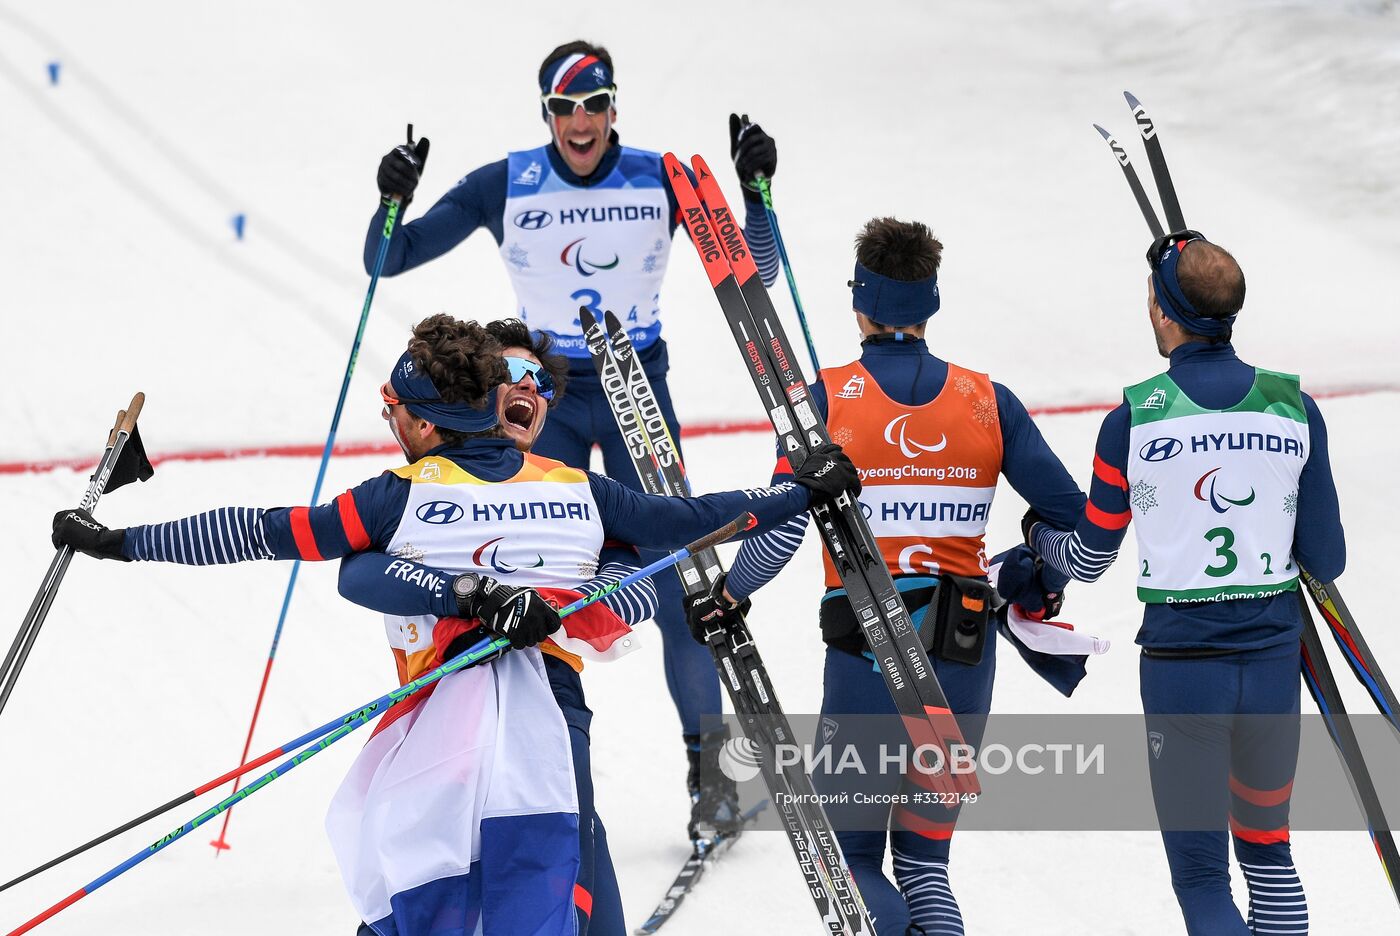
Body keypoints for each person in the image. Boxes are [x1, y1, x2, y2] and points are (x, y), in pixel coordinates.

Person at [52, 314, 858, 936]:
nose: (389, 419)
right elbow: (693, 517)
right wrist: (800, 491)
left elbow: (264, 532)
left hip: (451, 723)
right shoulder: (577, 487)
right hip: (523, 718)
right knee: (541, 877)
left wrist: (122, 546)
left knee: (447, 884)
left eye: (394, 407)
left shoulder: (399, 494)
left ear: (430, 421)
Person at [367, 38, 784, 841]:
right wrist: (390, 199)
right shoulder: (509, 181)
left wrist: (756, 193)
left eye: (593, 106)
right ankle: (507, 772)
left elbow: (753, 271)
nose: (580, 124)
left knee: (680, 585)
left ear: (614, 107)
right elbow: (388, 258)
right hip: (539, 398)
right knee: (519, 573)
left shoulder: (658, 176)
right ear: (547, 115)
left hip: (637, 390)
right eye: (564, 110)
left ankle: (714, 784)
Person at [686, 218, 1086, 936]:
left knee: (855, 859)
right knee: (926, 865)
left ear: (859, 302)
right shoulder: (985, 399)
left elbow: (778, 532)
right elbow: (1075, 526)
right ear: (930, 305)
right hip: (964, 654)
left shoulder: (827, 398)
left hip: (873, 652)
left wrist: (728, 594)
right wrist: (1032, 564)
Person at [1025, 232, 1345, 935]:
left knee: (1202, 878)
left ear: (1163, 313)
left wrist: (1034, 541)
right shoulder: (1294, 407)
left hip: (1182, 670)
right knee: (1269, 852)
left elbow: (1086, 559)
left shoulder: (1135, 417)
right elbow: (1328, 559)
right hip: (1269, 666)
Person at [339, 317, 635, 936]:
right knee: (423, 866)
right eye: (508, 374)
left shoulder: (567, 494)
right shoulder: (421, 485)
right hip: (435, 711)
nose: (525, 387)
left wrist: (593, 597)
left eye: (539, 381)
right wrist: (468, 594)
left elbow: (637, 568)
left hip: (544, 707)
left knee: (566, 846)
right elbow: (357, 571)